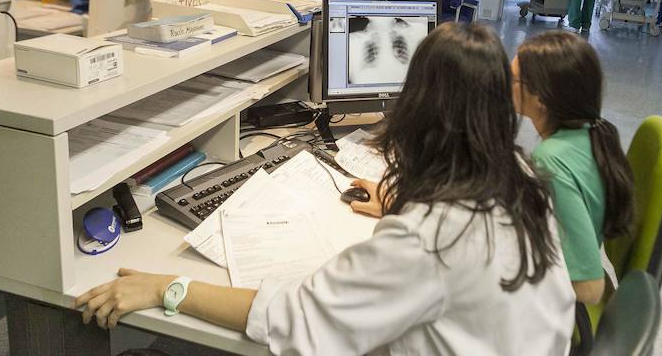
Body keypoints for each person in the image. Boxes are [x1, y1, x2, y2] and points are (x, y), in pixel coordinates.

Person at [76, 23, 576, 355]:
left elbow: (297, 319)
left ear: (419, 109)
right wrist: (401, 203)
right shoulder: (517, 174)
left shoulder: (428, 241)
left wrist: (168, 287)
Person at [510, 31, 634, 307]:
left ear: (540, 97)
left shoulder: (550, 160)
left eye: (513, 80)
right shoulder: (591, 134)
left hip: (564, 314)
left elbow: (590, 289)